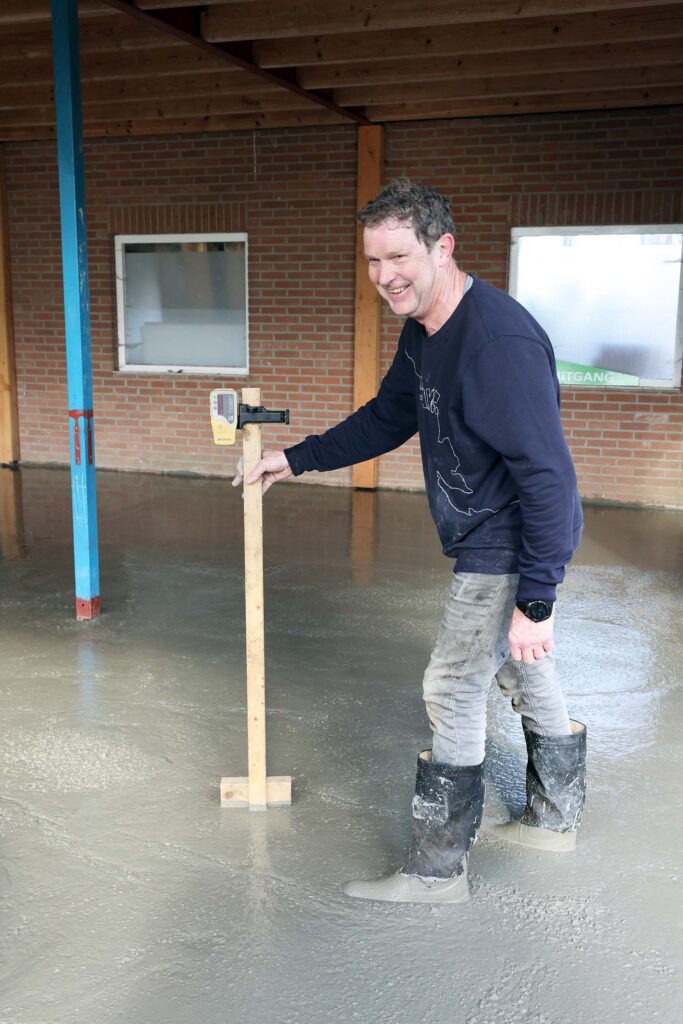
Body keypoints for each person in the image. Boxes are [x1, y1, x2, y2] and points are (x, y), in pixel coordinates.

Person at [233, 179, 586, 904]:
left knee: (452, 686)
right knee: (520, 671)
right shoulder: (424, 330)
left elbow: (549, 477)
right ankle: (555, 819)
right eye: (371, 260)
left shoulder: (497, 343)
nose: (383, 276)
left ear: (441, 247)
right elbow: (389, 415)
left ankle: (436, 871)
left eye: (397, 256)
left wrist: (537, 600)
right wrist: (297, 457)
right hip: (485, 531)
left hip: (505, 539)